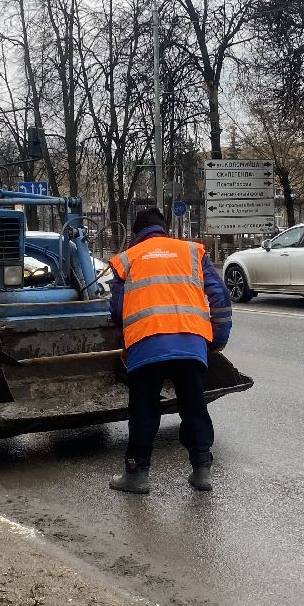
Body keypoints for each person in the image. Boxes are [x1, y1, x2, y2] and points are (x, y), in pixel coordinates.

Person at [106, 207, 232, 494]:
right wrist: (218, 338)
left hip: (146, 346)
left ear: (136, 235)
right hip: (191, 344)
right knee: (194, 407)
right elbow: (220, 296)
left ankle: (137, 476)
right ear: (164, 229)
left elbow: (117, 308)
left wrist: (127, 338)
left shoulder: (127, 260)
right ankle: (201, 471)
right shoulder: (191, 252)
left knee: (144, 410)